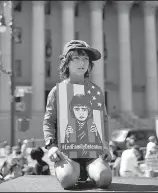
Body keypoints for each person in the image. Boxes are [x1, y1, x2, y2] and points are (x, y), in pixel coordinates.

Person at [43, 40, 112, 189]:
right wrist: (51, 146)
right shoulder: (57, 91)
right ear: (66, 63)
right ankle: (70, 170)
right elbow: (49, 121)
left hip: (92, 154)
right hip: (66, 152)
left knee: (104, 178)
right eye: (76, 58)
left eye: (85, 58)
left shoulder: (96, 91)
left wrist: (106, 145)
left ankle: (86, 170)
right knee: (67, 180)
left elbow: (104, 119)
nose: (82, 63)